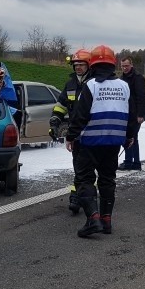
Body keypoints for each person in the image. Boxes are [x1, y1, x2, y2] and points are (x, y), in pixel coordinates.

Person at [65, 44, 130, 237]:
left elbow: (80, 115)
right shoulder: (124, 86)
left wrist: (70, 136)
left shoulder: (91, 86)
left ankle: (93, 219)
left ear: (92, 65)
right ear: (113, 65)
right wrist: (131, 136)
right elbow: (131, 113)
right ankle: (106, 221)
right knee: (108, 180)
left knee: (85, 179)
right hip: (114, 142)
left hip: (90, 142)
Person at [49, 48, 92, 214]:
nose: (78, 67)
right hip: (76, 133)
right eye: (76, 64)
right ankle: (79, 195)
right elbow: (61, 106)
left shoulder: (94, 83)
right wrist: (54, 123)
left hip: (93, 132)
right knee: (79, 166)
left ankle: (85, 196)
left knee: (88, 167)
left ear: (89, 65)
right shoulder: (71, 84)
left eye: (81, 64)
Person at [118, 56, 145, 171]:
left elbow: (142, 96)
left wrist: (141, 114)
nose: (124, 68)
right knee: (133, 137)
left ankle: (129, 162)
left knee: (130, 136)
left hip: (137, 113)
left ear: (131, 65)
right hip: (128, 112)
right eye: (122, 66)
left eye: (126, 66)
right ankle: (135, 163)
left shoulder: (138, 78)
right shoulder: (122, 78)